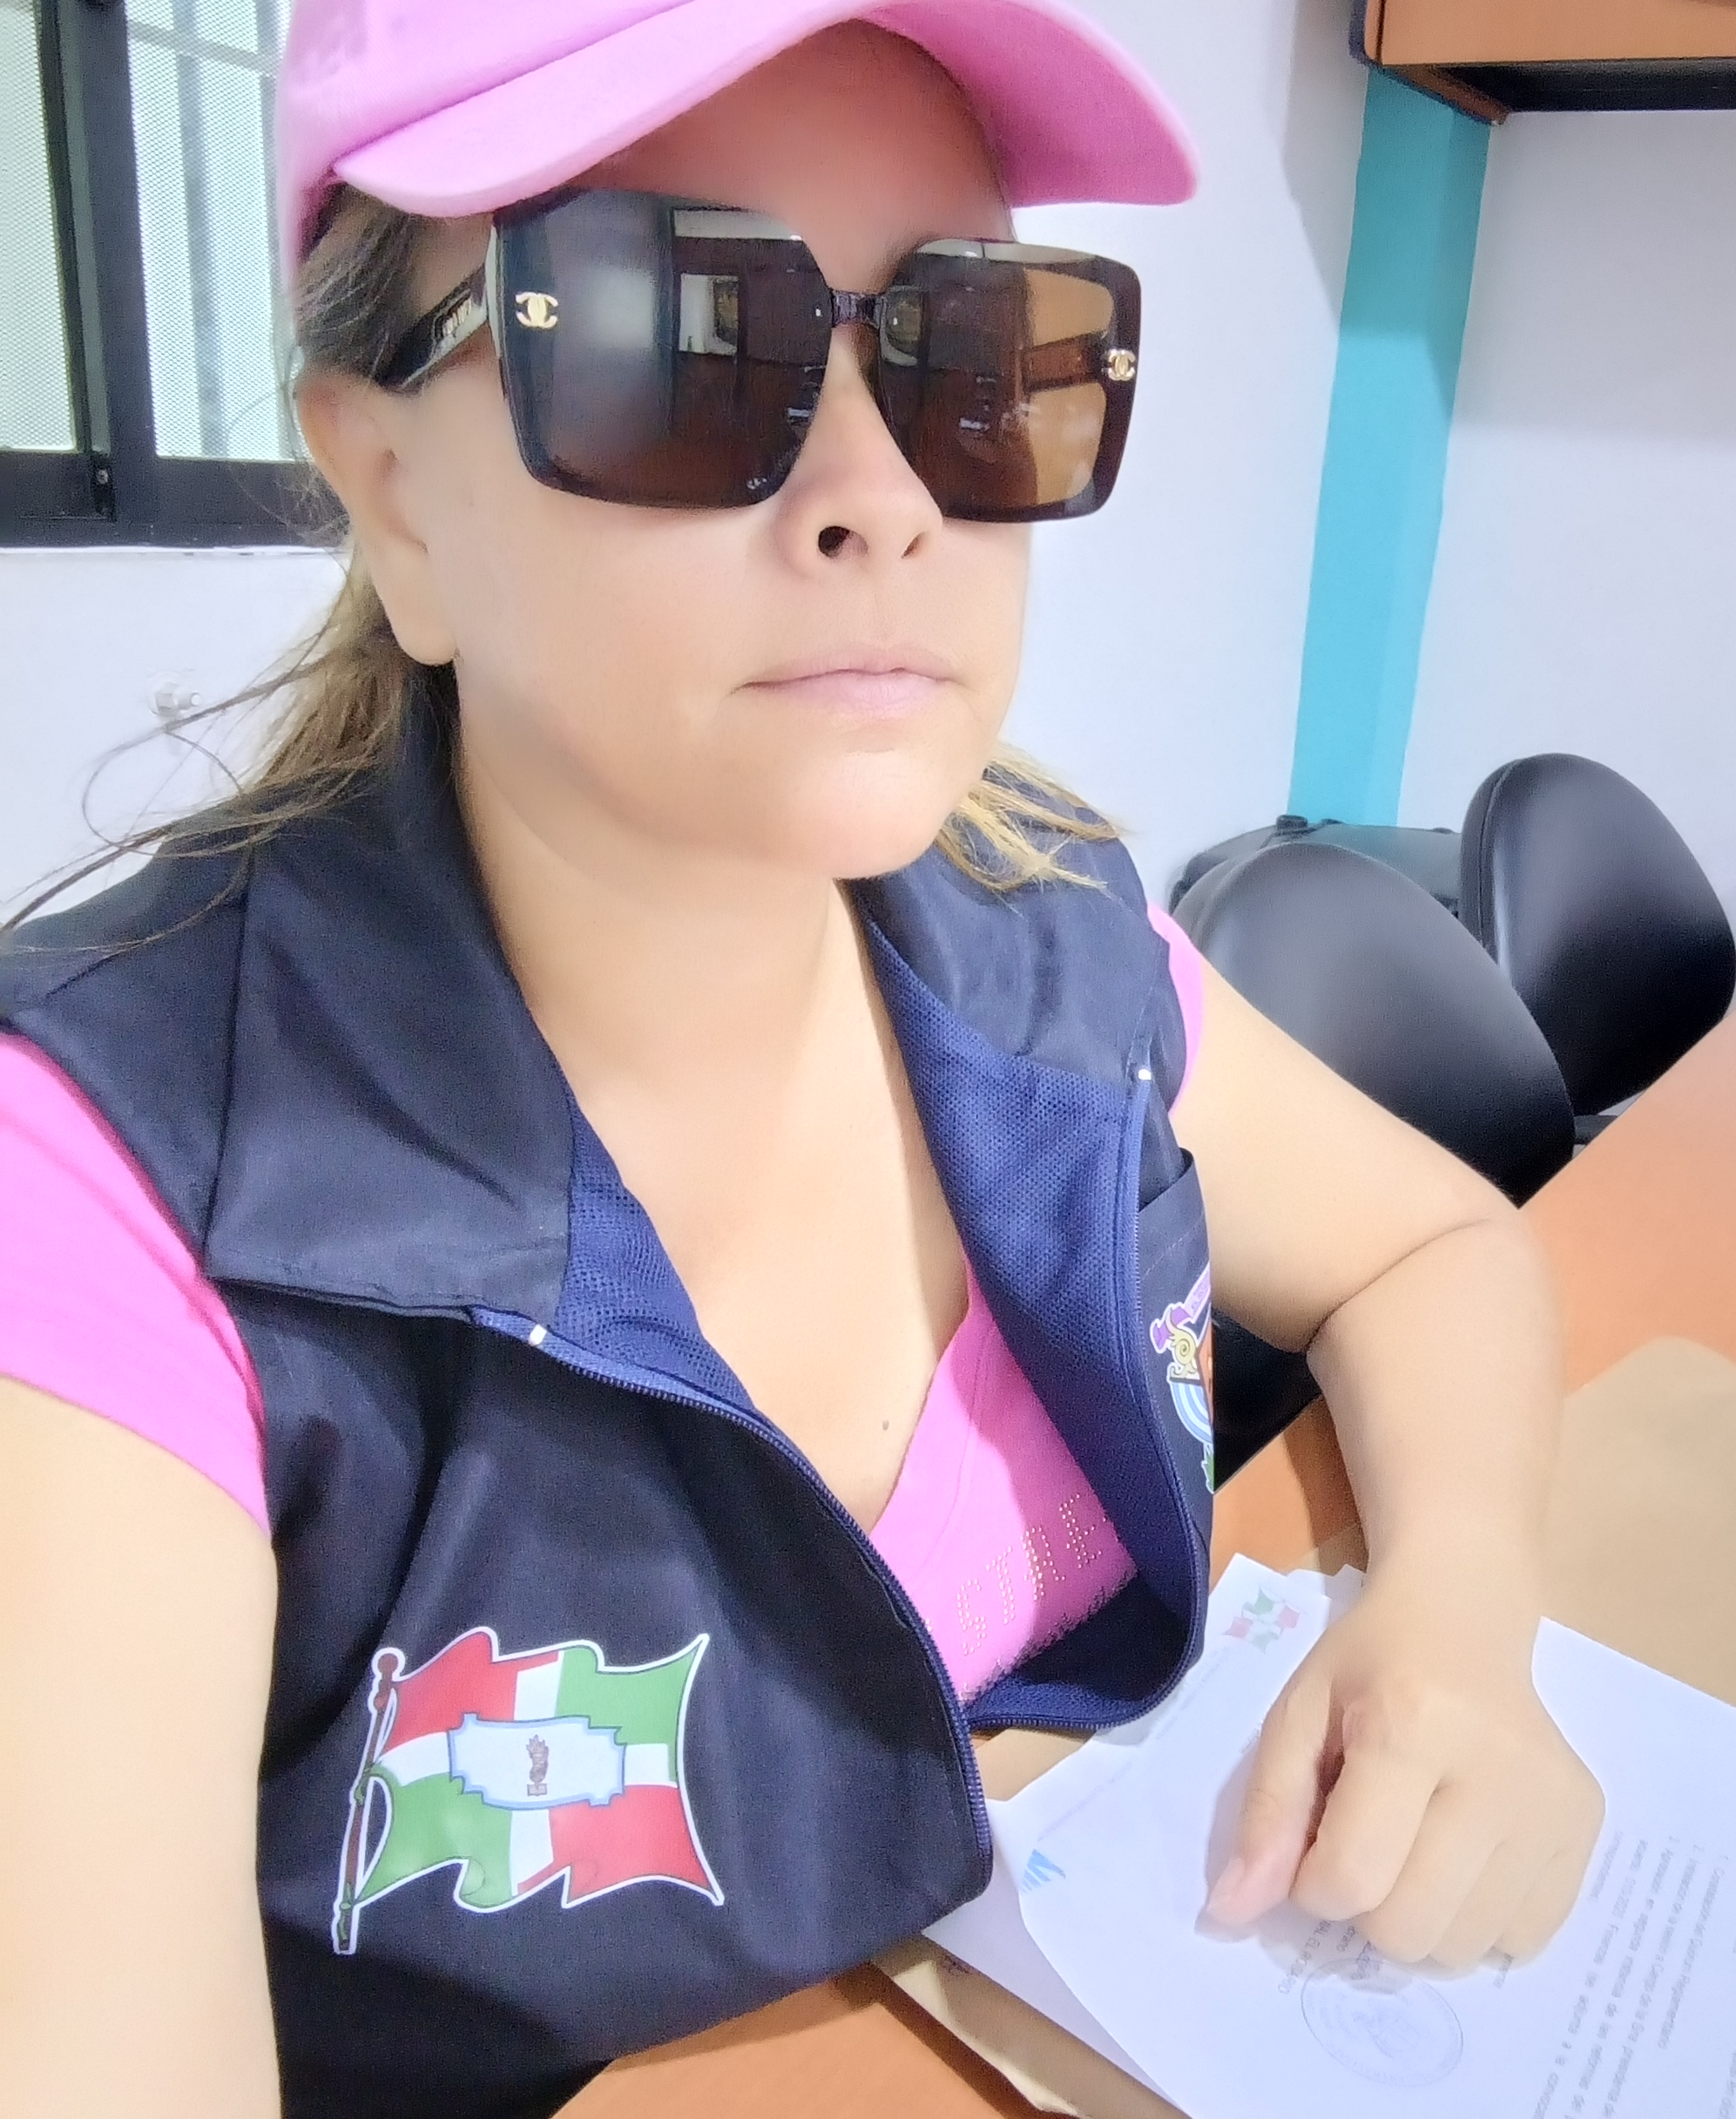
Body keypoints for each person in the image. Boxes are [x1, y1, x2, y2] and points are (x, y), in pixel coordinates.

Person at [0, 4, 1602, 2115]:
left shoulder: (1043, 931)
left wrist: (1459, 1611)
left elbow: (1430, 1248)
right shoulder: (104, 1190)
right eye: (674, 340)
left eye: (971, 350)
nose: (879, 496)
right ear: (395, 497)